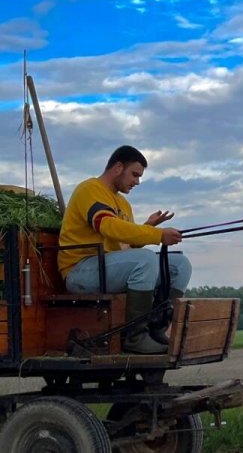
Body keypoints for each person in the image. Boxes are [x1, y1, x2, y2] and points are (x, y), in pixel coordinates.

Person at [58, 145, 191, 354]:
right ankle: (135, 338)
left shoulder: (123, 204)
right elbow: (106, 225)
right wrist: (157, 236)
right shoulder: (90, 190)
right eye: (135, 174)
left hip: (107, 267)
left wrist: (148, 228)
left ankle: (156, 328)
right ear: (118, 167)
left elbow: (125, 246)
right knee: (145, 259)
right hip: (81, 272)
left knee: (180, 265)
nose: (137, 182)